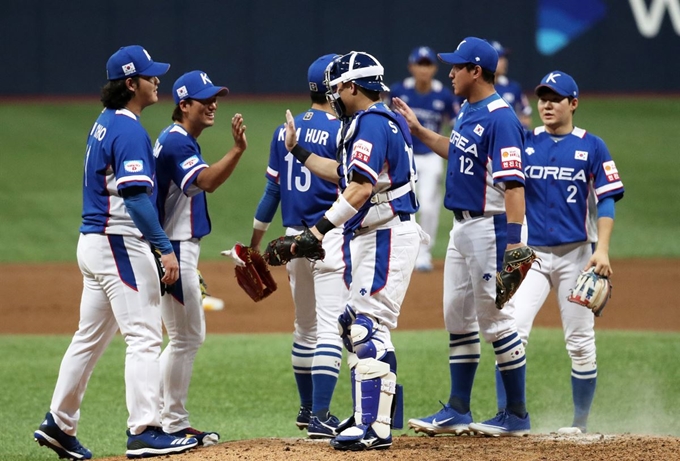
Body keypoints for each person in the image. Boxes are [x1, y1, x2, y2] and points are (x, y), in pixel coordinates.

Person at [34, 45, 198, 459]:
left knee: (88, 339)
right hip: (118, 243)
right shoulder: (127, 130)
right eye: (150, 75)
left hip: (93, 244)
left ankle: (59, 422)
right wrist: (164, 248)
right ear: (130, 84)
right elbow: (137, 197)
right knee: (144, 336)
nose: (157, 80)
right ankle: (145, 429)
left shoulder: (105, 123)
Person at [281, 51, 424, 450]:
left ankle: (374, 428)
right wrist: (298, 151)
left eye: (338, 89)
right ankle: (374, 417)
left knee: (365, 325)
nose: (333, 97)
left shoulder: (373, 124)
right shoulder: (366, 123)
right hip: (374, 233)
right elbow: (343, 174)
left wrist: (318, 229)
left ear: (353, 87)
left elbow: (359, 188)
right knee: (356, 323)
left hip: (386, 233)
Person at [393, 37, 531, 437]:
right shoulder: (469, 110)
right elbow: (456, 152)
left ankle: (517, 415)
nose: (449, 72)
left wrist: (514, 242)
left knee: (496, 320)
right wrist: (418, 130)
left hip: (490, 227)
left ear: (476, 71)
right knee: (457, 317)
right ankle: (458, 409)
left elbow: (514, 185)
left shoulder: (501, 118)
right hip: (462, 228)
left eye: (456, 67)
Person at [495, 70, 625, 435]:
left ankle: (579, 424)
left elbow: (607, 200)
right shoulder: (523, 140)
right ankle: (510, 417)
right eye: (543, 98)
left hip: (576, 257)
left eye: (555, 98)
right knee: (511, 334)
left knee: (581, 343)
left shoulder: (593, 146)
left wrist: (602, 249)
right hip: (531, 258)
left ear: (573, 103)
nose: (547, 105)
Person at [246, 54, 346, 439]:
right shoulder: (344, 129)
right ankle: (321, 415)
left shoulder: (282, 130)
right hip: (328, 236)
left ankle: (306, 410)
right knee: (328, 329)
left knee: (304, 326)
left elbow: (272, 190)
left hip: (290, 240)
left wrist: (255, 243)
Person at [154, 70, 247, 446]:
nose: (213, 105)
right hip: (173, 249)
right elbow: (206, 181)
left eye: (215, 98)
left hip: (177, 248)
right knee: (186, 337)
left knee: (183, 337)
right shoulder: (177, 143)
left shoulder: (179, 139)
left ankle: (166, 419)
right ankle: (168, 422)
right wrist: (238, 150)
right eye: (204, 99)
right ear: (183, 105)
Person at [387, 46, 456, 272]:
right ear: (411, 67)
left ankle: (424, 253)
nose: (423, 69)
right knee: (401, 205)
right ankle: (402, 251)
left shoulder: (443, 94)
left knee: (427, 206)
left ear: (434, 68)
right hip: (404, 156)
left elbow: (454, 125)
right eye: (420, 64)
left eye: (428, 64)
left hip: (431, 157)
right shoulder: (399, 91)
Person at [490, 40, 532, 129]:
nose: (505, 62)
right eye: (500, 58)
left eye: (504, 58)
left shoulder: (513, 87)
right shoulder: (474, 89)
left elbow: (526, 115)